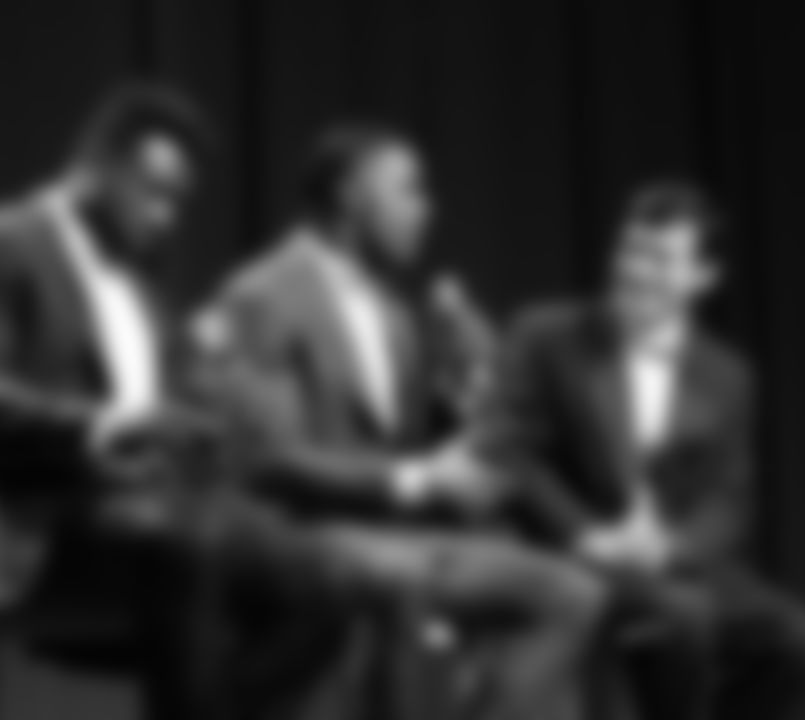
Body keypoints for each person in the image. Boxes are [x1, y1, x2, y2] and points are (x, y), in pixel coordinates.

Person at [0, 83, 373, 720]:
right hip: (37, 524)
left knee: (329, 581)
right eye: (154, 192)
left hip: (160, 510)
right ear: (97, 168)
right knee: (191, 550)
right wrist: (99, 425)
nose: (167, 217)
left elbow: (179, 397)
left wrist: (216, 407)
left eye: (179, 201)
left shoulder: (138, 284)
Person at [196, 124, 606, 720]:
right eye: (408, 189)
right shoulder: (263, 293)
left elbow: (418, 447)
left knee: (572, 592)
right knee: (401, 584)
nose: (427, 209)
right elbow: (268, 457)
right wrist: (416, 480)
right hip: (302, 533)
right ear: (349, 194)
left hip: (393, 535)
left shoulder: (395, 311)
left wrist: (470, 386)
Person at [474, 182, 805, 720]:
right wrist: (584, 535)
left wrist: (670, 550)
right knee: (684, 619)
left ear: (703, 277)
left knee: (800, 640)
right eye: (630, 249)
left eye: (660, 259)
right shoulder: (547, 334)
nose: (636, 270)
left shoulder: (728, 373)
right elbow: (508, 452)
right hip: (572, 550)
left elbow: (731, 499)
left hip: (669, 561)